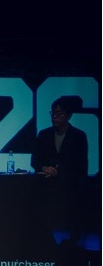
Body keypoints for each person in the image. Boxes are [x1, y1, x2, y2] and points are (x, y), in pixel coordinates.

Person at [31, 96, 88, 242]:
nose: (55, 116)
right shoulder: (44, 134)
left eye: (60, 113)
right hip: (46, 183)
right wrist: (45, 167)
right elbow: (35, 160)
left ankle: (73, 242)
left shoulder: (78, 136)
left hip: (69, 185)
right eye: (53, 113)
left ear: (69, 116)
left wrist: (60, 171)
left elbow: (81, 165)